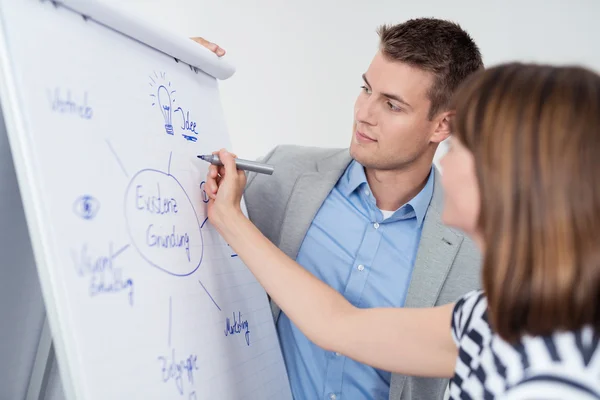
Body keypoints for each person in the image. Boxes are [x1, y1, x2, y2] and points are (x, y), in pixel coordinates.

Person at [205, 62, 600, 399]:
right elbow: (336, 324)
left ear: (514, 175)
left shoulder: (562, 372)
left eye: (460, 145)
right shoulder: (487, 318)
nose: (447, 161)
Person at [193, 18, 483, 400]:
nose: (364, 113)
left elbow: (337, 325)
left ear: (442, 126)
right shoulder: (283, 175)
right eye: (366, 89)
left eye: (392, 105)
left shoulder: (476, 251)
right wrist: (183, 73)